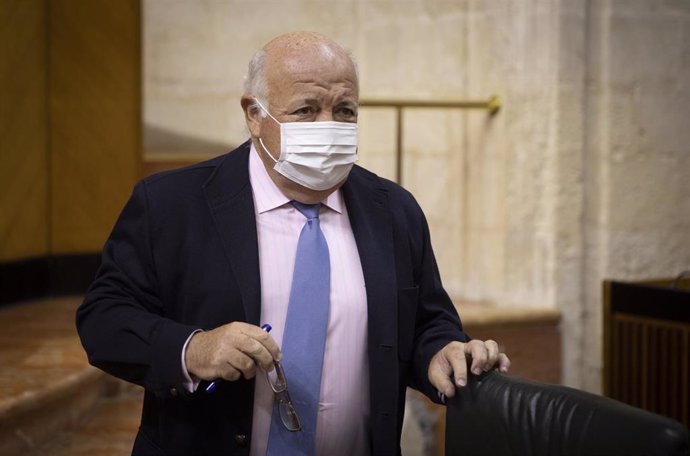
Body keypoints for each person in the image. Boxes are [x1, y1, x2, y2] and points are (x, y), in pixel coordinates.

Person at [76, 31, 510, 456]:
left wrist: (442, 352)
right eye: (306, 109)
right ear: (254, 114)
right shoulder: (171, 205)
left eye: (344, 110)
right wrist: (193, 349)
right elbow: (104, 319)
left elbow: (426, 323)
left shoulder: (394, 212)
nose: (329, 126)